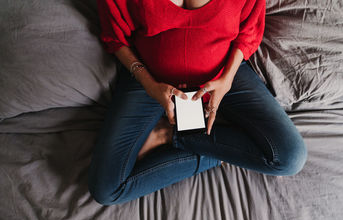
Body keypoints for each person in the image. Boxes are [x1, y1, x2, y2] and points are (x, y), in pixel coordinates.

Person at [88, 0, 307, 206]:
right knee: (106, 188)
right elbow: (115, 38)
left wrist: (227, 80)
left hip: (223, 74)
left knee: (290, 157)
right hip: (149, 79)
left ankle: (169, 135)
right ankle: (219, 148)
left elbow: (248, 32)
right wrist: (148, 84)